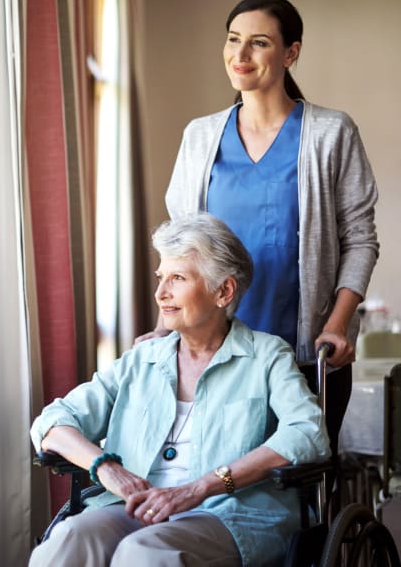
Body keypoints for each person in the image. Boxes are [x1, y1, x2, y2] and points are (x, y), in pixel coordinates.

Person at [136, 0, 379, 462]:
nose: (240, 56)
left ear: (291, 53)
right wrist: (166, 326)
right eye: (233, 40)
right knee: (214, 483)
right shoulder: (201, 136)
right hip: (213, 355)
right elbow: (179, 250)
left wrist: (336, 324)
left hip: (306, 356)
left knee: (301, 489)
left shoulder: (331, 133)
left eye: (259, 43)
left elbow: (361, 239)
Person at [29, 213, 330, 567]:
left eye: (177, 278)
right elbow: (52, 422)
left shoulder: (266, 355)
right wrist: (106, 468)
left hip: (228, 514)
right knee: (69, 538)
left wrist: (200, 487)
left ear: (224, 291)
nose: (160, 293)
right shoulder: (142, 359)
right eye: (160, 278)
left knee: (143, 553)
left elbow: (307, 432)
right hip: (134, 507)